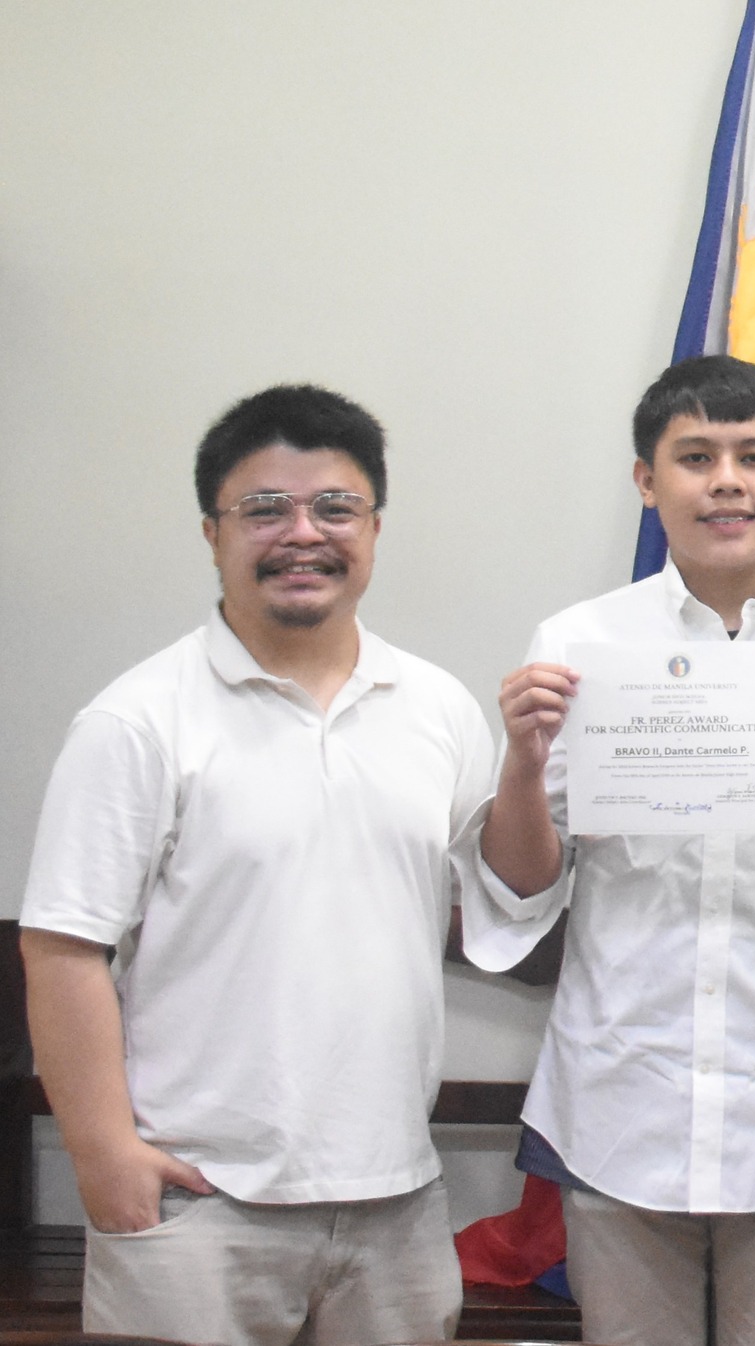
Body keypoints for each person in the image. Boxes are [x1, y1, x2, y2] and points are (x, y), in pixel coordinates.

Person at [466, 355, 755, 1346]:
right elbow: (520, 879)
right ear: (647, 481)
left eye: (754, 455)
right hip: (623, 1089)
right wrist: (521, 761)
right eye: (694, 456)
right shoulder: (581, 639)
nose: (725, 479)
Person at [21, 386, 491, 1344]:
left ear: (374, 526)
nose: (302, 534)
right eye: (264, 509)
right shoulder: (139, 720)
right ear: (212, 531)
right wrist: (104, 1153)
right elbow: (61, 949)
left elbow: (501, 896)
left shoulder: (437, 707)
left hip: (397, 1200)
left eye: (334, 508)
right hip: (199, 1203)